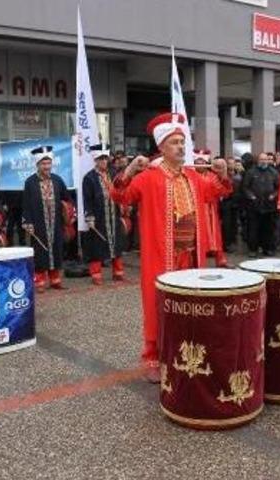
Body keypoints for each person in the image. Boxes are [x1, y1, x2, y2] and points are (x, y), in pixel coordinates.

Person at [111, 112, 231, 382]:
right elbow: (119, 195)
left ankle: (185, 349)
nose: (180, 147)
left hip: (191, 255)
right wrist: (129, 171)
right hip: (162, 256)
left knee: (190, 302)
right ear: (162, 147)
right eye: (174, 142)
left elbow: (218, 191)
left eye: (182, 142)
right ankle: (152, 356)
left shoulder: (193, 176)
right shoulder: (148, 177)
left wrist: (223, 173)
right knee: (157, 304)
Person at [22, 146, 68, 292]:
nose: (47, 166)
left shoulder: (57, 180)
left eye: (48, 163)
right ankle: (40, 282)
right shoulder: (30, 182)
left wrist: (68, 213)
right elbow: (26, 204)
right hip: (38, 224)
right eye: (43, 163)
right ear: (37, 164)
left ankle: (55, 280)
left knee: (56, 250)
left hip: (56, 223)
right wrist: (27, 222)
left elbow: (67, 199)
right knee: (40, 252)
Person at [82, 143, 127, 285]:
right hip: (99, 216)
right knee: (97, 245)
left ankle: (118, 272)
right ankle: (96, 274)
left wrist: (124, 205)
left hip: (114, 214)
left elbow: (121, 190)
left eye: (105, 158)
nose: (103, 161)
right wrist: (89, 216)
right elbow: (87, 199)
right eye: (100, 159)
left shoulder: (113, 174)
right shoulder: (89, 178)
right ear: (95, 160)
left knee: (116, 244)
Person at [194, 149, 228, 267]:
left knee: (215, 235)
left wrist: (223, 176)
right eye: (198, 162)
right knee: (198, 236)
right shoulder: (189, 175)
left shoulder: (212, 176)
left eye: (202, 162)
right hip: (195, 209)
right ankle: (199, 262)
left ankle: (220, 259)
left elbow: (222, 191)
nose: (200, 164)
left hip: (210, 210)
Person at [242, 152, 279, 257]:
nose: (263, 161)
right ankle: (253, 249)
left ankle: (267, 249)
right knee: (253, 229)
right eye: (261, 159)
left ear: (268, 160)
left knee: (268, 229)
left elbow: (278, 187)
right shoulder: (250, 172)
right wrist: (251, 196)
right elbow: (245, 187)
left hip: (269, 206)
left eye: (265, 159)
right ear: (258, 160)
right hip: (254, 206)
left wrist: (274, 195)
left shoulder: (274, 172)